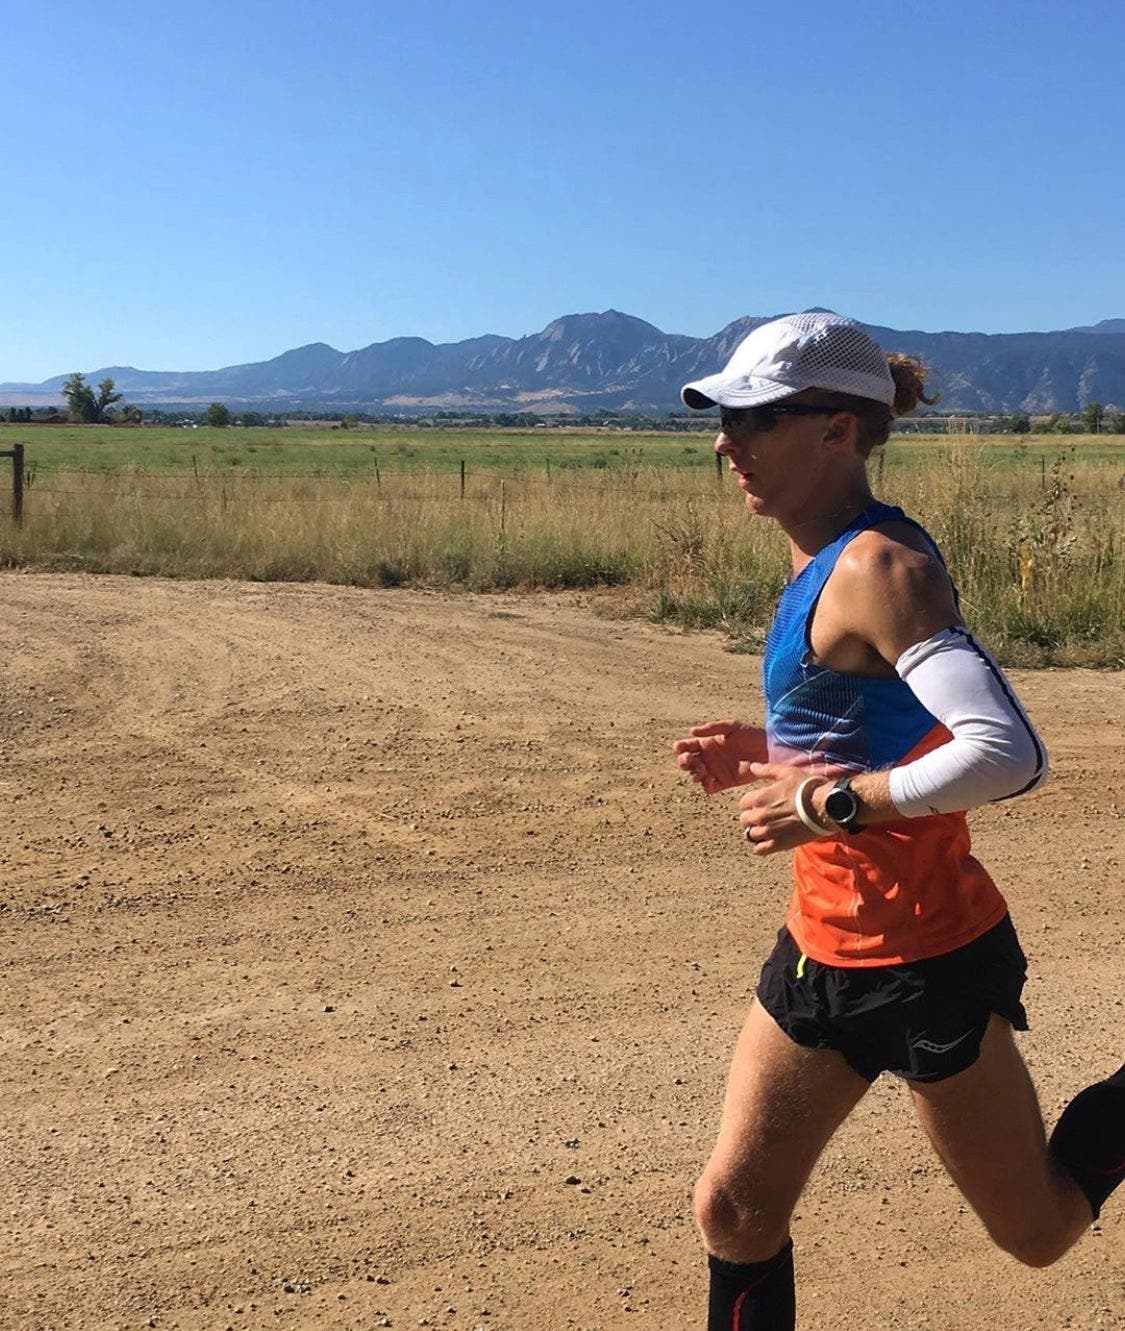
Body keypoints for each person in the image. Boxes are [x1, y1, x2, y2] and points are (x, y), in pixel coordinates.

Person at [671, 310, 1124, 1331]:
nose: (723, 441)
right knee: (734, 1209)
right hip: (823, 949)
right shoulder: (816, 555)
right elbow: (883, 730)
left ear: (838, 431)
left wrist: (828, 801)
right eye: (723, 418)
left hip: (926, 958)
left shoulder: (883, 568)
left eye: (753, 418)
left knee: (1042, 1231)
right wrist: (771, 756)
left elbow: (1009, 752)